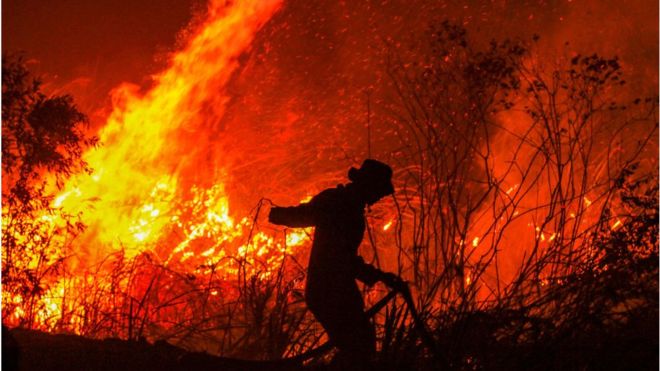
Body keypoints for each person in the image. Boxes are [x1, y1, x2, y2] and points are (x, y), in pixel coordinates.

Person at [268, 159, 403, 370]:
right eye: (378, 191)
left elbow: (342, 255)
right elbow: (340, 256)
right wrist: (279, 214)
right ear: (368, 186)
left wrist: (380, 276)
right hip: (329, 291)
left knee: (358, 347)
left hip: (335, 290)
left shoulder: (344, 204)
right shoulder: (340, 205)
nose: (379, 197)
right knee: (359, 348)